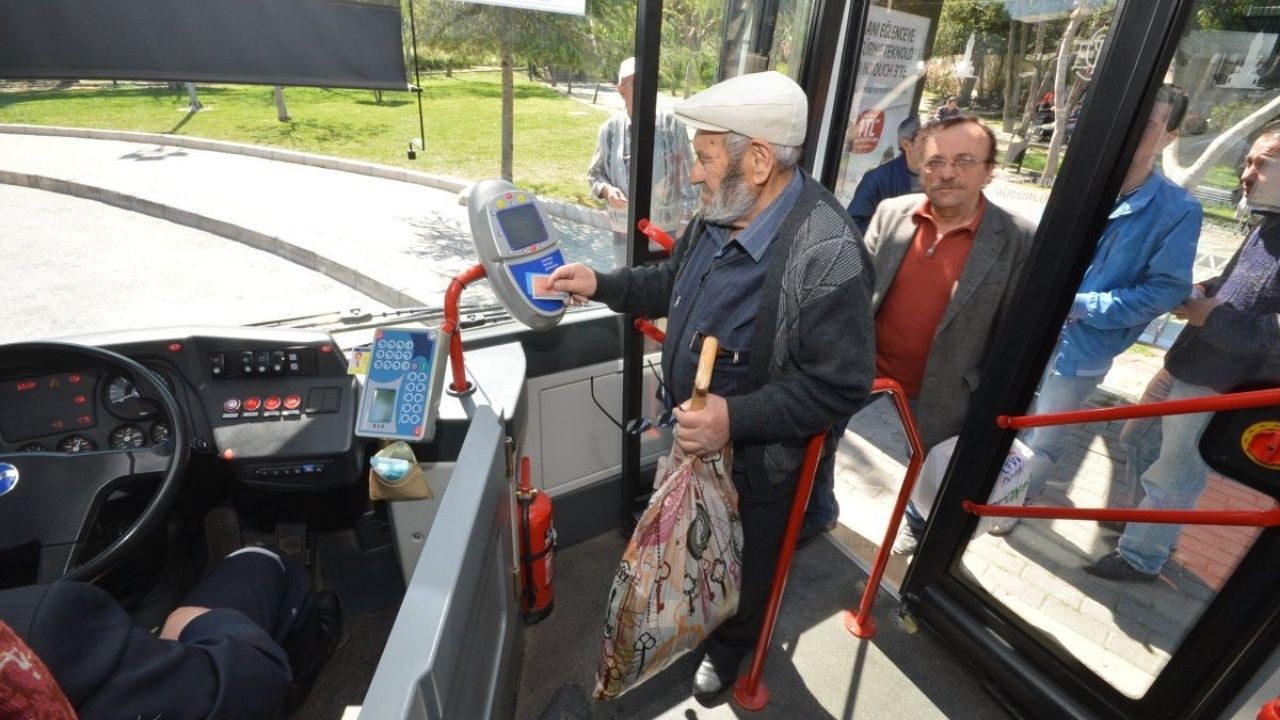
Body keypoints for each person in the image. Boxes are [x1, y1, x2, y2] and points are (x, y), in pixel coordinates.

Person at [550, 71, 874, 701]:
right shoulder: (721, 211)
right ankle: (701, 621)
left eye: (704, 157)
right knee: (699, 554)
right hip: (693, 440)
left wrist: (736, 419)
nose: (695, 173)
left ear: (757, 161)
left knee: (746, 569)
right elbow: (673, 279)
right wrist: (604, 284)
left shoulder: (830, 254)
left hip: (757, 466)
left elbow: (840, 388)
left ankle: (729, 649)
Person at [996, 85, 1200, 533]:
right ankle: (980, 484)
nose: (1130, 132)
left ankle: (1012, 503)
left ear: (1169, 136)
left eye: (1147, 125)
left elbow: (1165, 290)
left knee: (1044, 437)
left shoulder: (1177, 209)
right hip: (1027, 329)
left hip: (1082, 346)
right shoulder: (1082, 180)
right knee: (999, 413)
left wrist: (1080, 306)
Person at [1084, 123, 1280, 582]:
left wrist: (1209, 315)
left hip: (1221, 384)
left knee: (1176, 474)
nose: (1246, 174)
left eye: (1261, 163)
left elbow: (1269, 339)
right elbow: (1235, 288)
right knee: (1138, 440)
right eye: (1247, 162)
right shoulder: (1268, 223)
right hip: (1188, 363)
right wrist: (1198, 290)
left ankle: (1142, 556)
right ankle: (1145, 522)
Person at [862, 114, 1037, 555]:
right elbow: (857, 291)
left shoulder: (1016, 238)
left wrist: (993, 397)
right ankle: (818, 507)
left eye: (964, 160)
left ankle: (918, 526)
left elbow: (1017, 335)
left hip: (944, 389)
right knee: (819, 436)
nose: (946, 172)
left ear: (989, 170)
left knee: (931, 468)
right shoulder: (891, 213)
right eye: (935, 160)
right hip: (866, 367)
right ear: (919, 165)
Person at [0, 543, 340, 719]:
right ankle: (299, 675)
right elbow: (251, 680)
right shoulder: (40, 631)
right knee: (260, 559)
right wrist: (197, 621)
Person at [587, 57, 698, 268]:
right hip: (624, 232)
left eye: (647, 82)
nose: (644, 89)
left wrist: (684, 223)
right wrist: (607, 191)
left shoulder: (673, 127)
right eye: (635, 83)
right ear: (621, 90)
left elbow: (688, 181)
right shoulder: (609, 130)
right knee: (628, 291)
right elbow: (595, 174)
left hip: (665, 232)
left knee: (659, 291)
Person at [845, 114, 923, 234]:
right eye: (927, 140)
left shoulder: (943, 177)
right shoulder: (878, 179)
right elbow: (854, 226)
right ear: (906, 144)